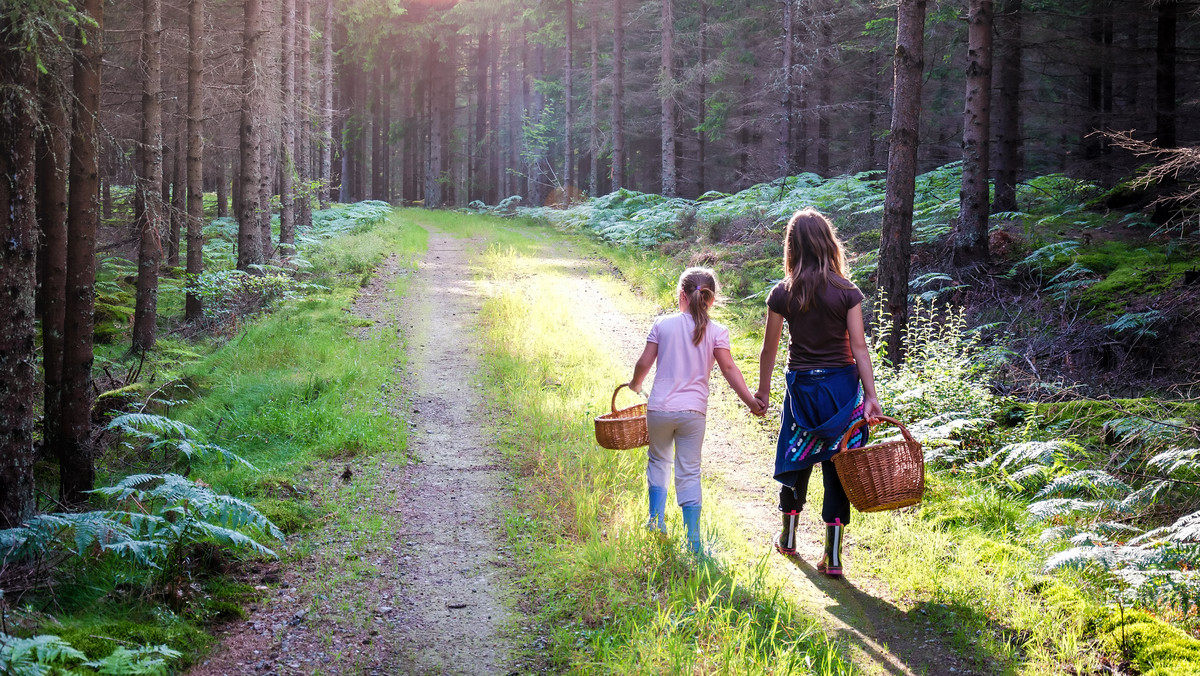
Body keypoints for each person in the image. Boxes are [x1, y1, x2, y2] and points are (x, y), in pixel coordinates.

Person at [753, 208, 882, 577]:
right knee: (839, 465)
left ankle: (789, 538)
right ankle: (834, 555)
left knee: (797, 457)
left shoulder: (783, 292)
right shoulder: (847, 292)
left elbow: (769, 349)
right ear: (829, 243)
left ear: (792, 246)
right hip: (842, 390)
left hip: (802, 391)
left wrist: (763, 393)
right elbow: (859, 348)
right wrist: (870, 396)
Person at [629, 267, 766, 554]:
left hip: (660, 409)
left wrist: (635, 383)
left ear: (681, 295)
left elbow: (644, 362)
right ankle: (693, 540)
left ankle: (656, 521)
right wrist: (751, 402)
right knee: (689, 471)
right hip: (693, 413)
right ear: (711, 300)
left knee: (658, 461)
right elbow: (729, 369)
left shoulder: (663, 324)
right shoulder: (717, 332)